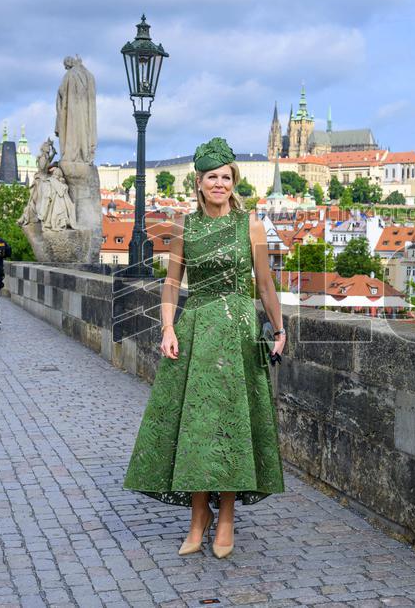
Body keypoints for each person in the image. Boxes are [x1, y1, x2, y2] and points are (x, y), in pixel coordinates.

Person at [123, 137, 286, 559]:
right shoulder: (184, 226)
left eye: (226, 177)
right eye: (212, 177)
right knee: (194, 427)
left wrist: (279, 327)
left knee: (232, 425)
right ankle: (199, 518)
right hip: (196, 329)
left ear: (235, 182)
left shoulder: (249, 225)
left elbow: (264, 283)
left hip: (237, 333)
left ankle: (226, 516)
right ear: (198, 182)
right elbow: (173, 282)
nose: (219, 183)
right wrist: (167, 328)